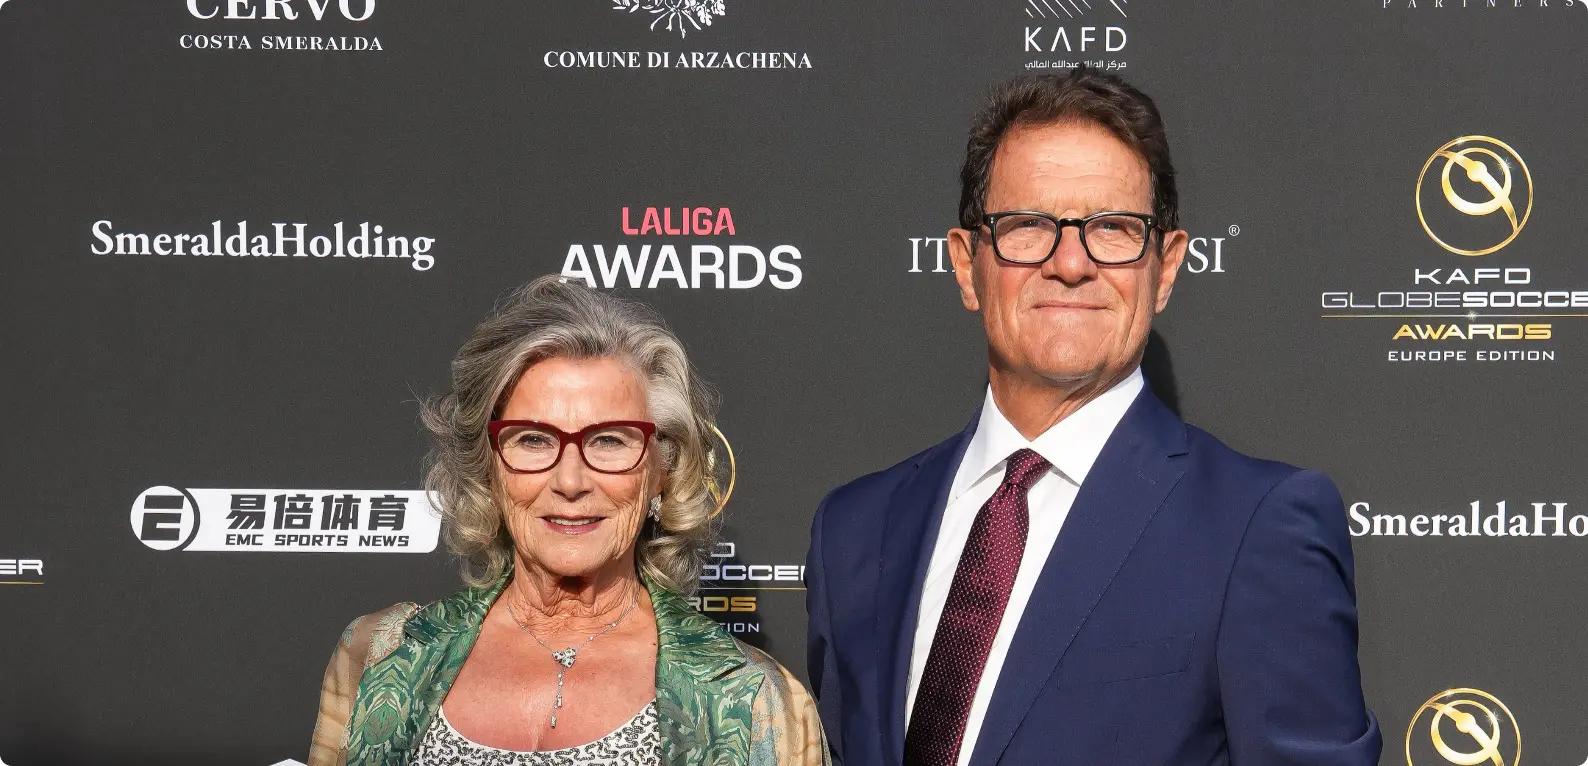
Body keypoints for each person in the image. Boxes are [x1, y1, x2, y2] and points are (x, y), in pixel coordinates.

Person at [804, 69, 1381, 765]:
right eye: (1028, 226)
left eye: (1113, 228)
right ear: (965, 264)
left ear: (1165, 269)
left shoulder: (1258, 526)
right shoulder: (854, 531)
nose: (1071, 263)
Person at [308, 276, 828, 765]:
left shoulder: (756, 702)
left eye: (609, 440)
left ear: (661, 470)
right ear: (488, 467)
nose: (571, 481)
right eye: (534, 440)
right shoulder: (378, 657)